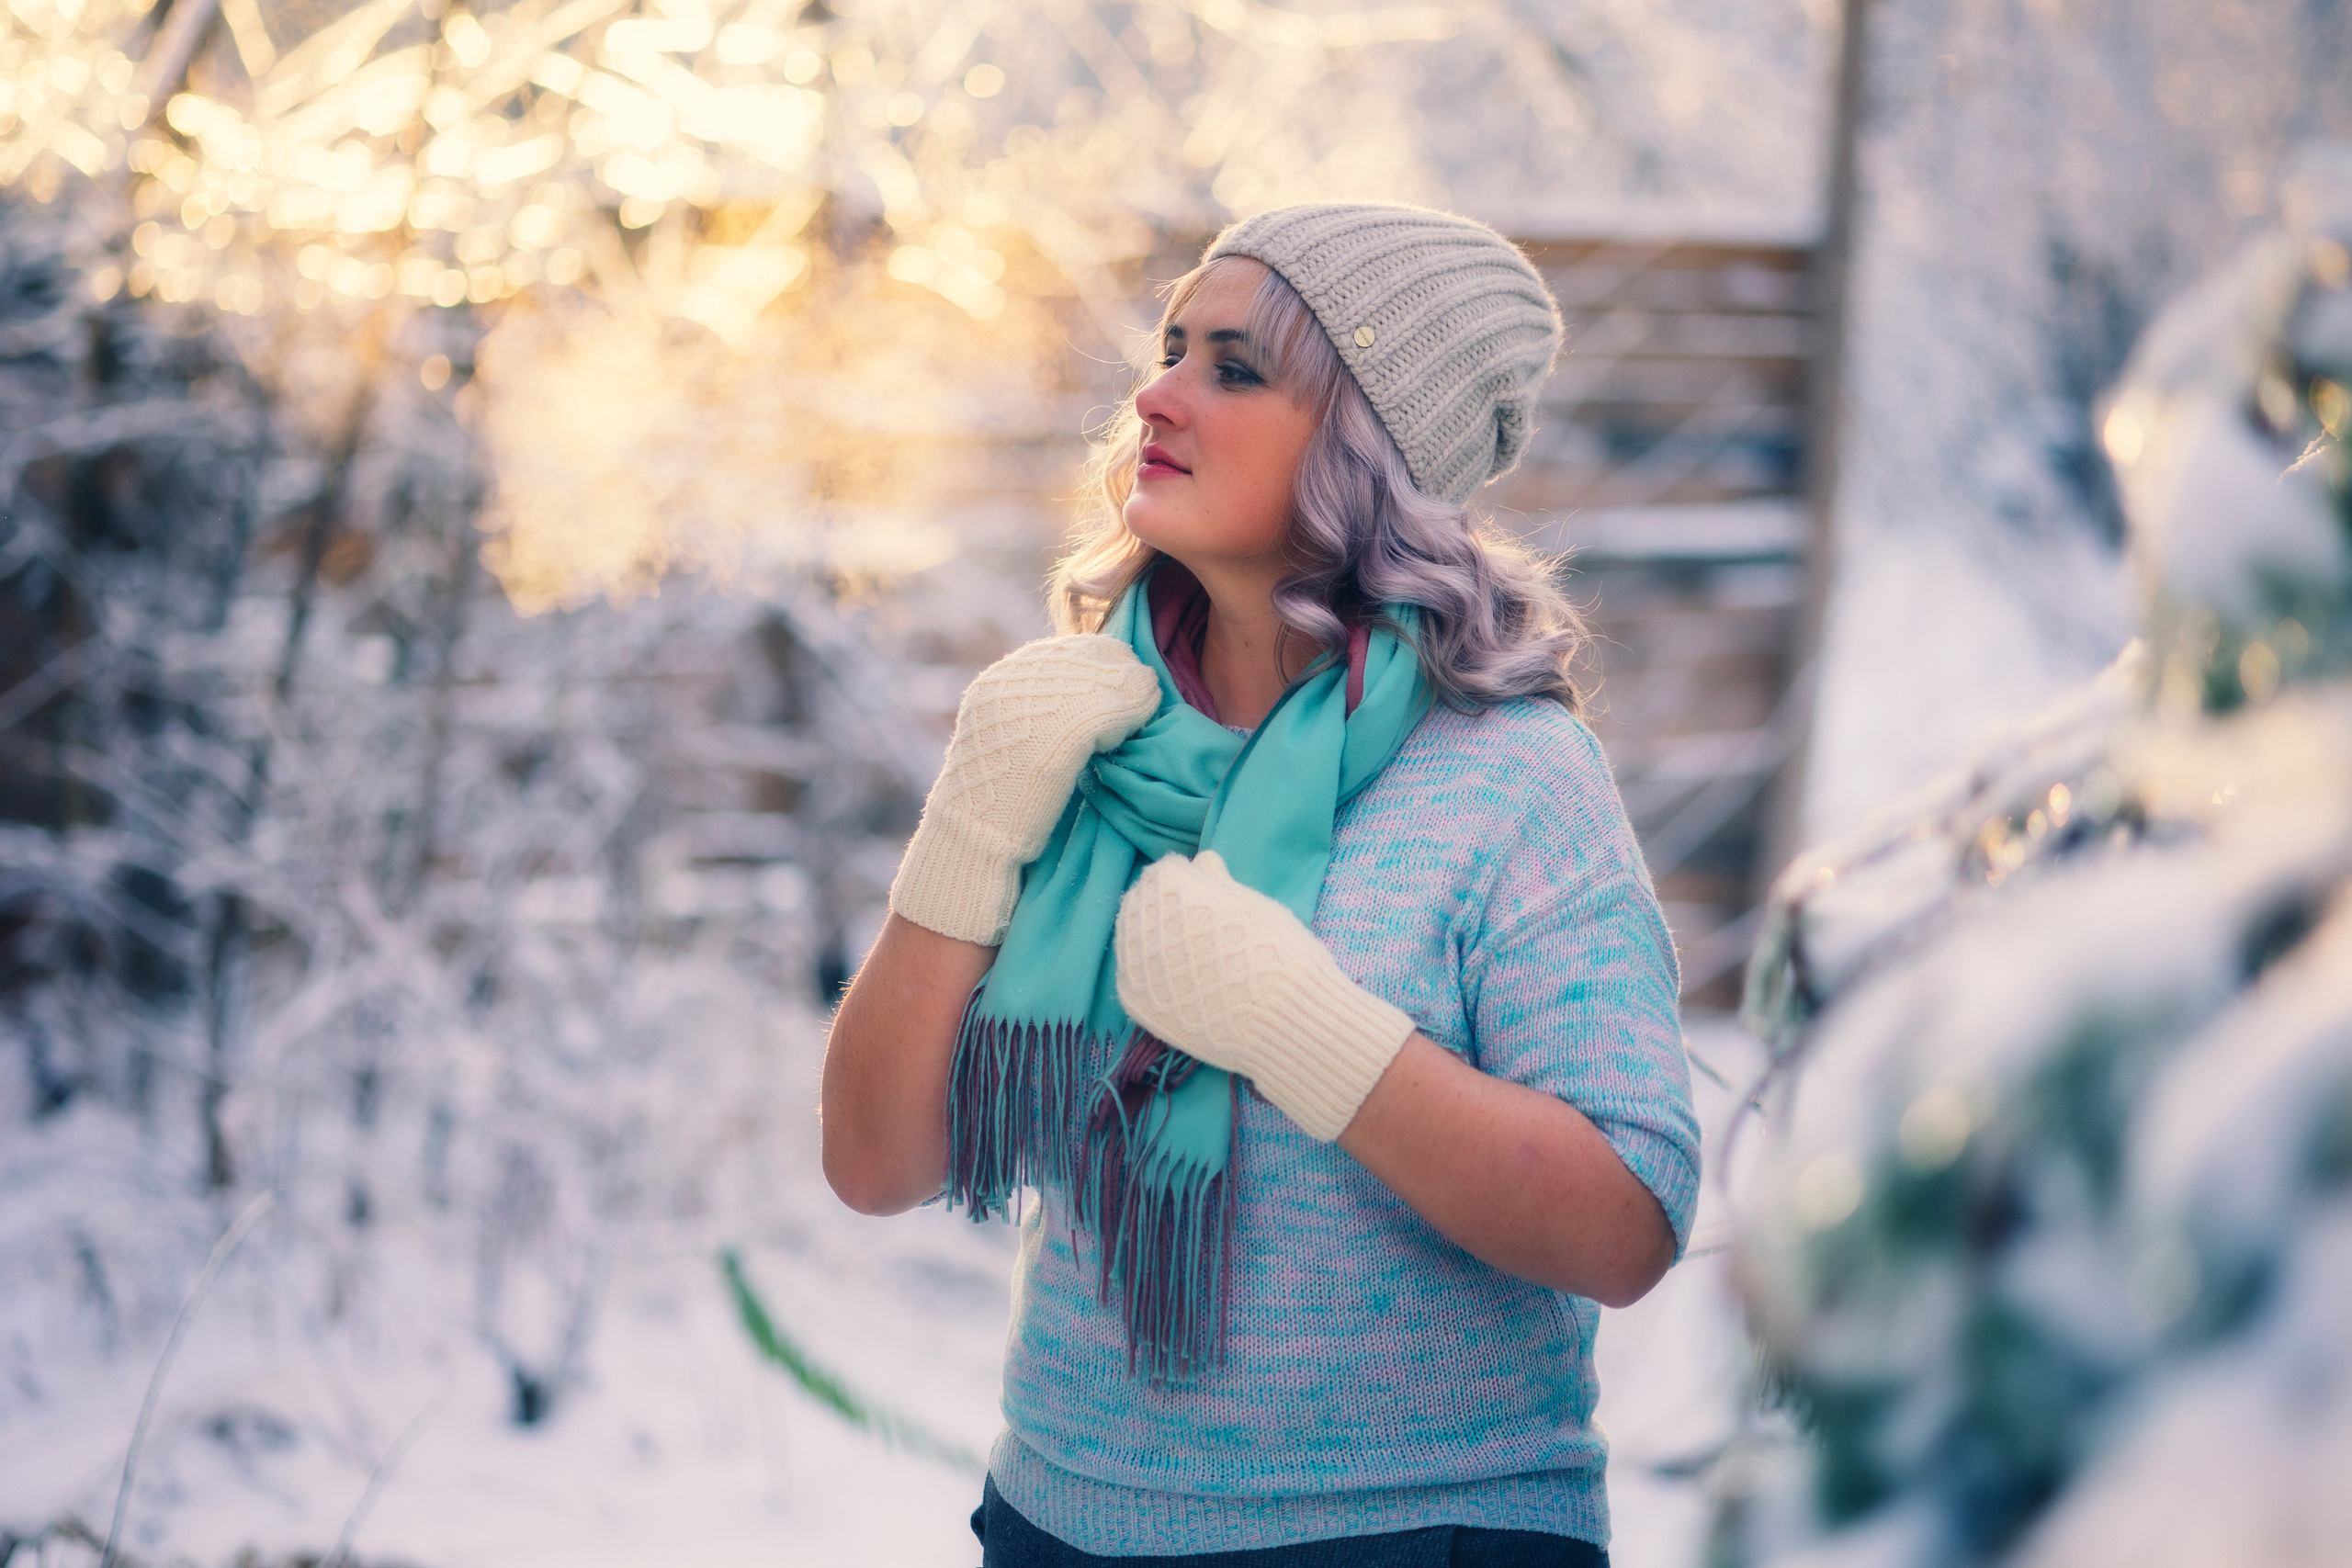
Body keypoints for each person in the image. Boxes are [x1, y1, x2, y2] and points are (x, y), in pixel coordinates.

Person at [821, 202, 1699, 1567]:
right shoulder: (1086, 738)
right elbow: (876, 1162)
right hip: (1058, 1520)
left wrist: (1312, 1035)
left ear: (1367, 450)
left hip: (1409, 1535)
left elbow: (1627, 1222)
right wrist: (970, 826)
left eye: (1235, 368)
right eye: (1171, 349)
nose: (1157, 395)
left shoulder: (1509, 776)